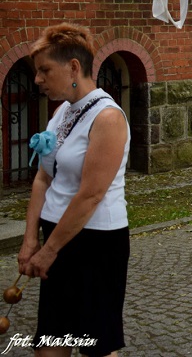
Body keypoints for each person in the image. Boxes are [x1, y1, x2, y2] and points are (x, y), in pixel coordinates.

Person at [19, 23, 131, 357]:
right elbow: (43, 178)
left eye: (44, 70)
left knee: (95, 347)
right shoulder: (61, 113)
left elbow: (91, 194)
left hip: (96, 242)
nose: (37, 79)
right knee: (50, 343)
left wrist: (49, 251)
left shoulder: (108, 118)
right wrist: (30, 239)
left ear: (73, 67)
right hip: (55, 235)